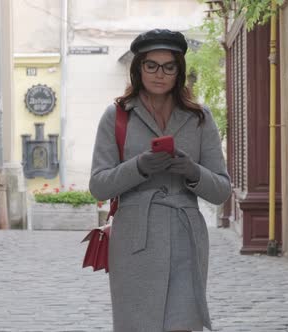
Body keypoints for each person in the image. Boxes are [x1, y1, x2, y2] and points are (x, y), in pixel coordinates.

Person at [89, 28, 231, 332]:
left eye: (169, 66)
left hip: (186, 237)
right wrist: (140, 166)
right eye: (151, 65)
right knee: (138, 325)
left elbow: (221, 190)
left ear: (179, 71)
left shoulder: (199, 118)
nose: (159, 74)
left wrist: (191, 170)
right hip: (134, 240)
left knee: (181, 325)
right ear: (138, 68)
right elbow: (99, 185)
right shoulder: (116, 116)